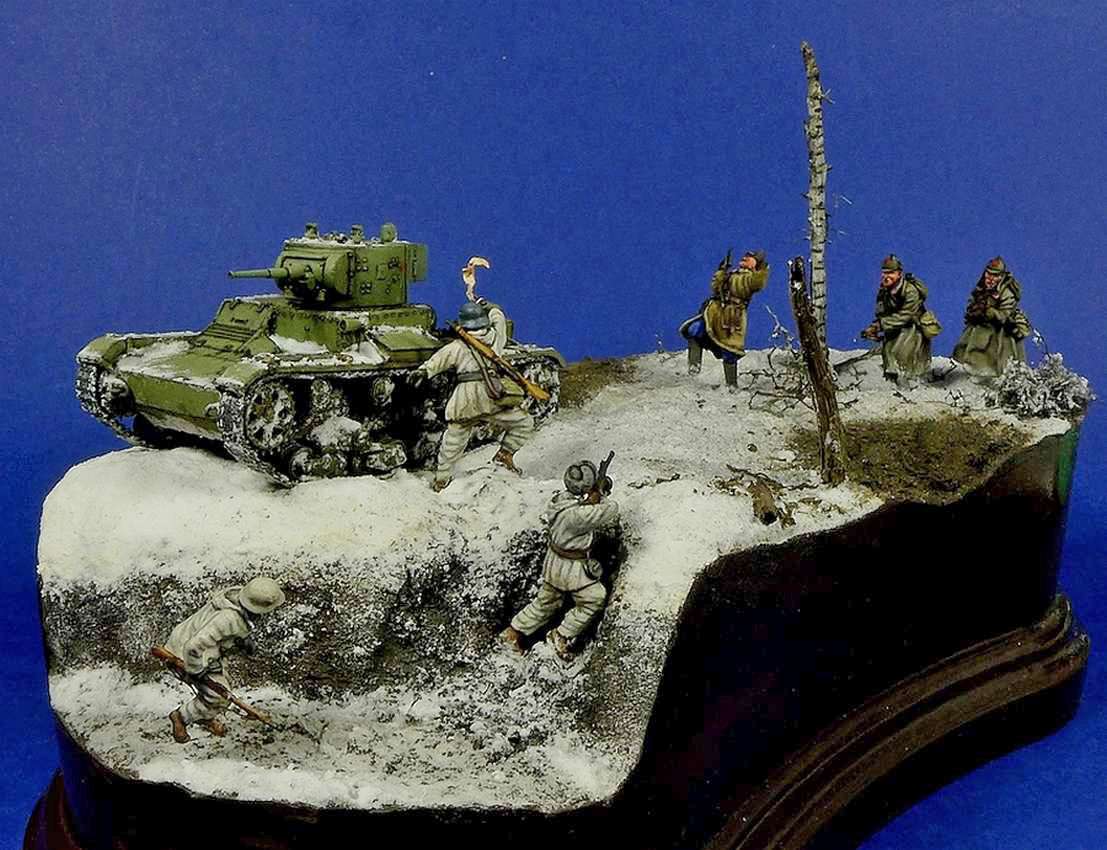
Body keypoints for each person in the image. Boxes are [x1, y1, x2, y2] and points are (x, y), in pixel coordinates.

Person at [501, 459, 620, 661]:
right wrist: (600, 495)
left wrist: (590, 497)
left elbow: (579, 507)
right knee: (594, 598)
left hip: (553, 562)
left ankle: (513, 632)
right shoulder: (577, 516)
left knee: (546, 602)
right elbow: (610, 509)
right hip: (571, 568)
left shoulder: (560, 500)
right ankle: (561, 634)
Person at [410, 300, 534, 491]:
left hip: (465, 399)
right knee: (524, 423)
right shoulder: (495, 339)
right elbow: (499, 318)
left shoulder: (457, 346)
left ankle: (442, 479)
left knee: (453, 440)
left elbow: (438, 361)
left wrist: (423, 372)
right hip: (491, 396)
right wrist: (488, 305)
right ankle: (505, 454)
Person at [163, 577, 286, 743]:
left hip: (202, 649)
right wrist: (196, 671)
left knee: (220, 686)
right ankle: (180, 717)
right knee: (219, 696)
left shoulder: (235, 597)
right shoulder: (228, 619)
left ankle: (203, 715)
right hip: (185, 655)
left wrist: (242, 640)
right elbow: (193, 646)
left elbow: (227, 629)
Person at [679, 250, 770, 390]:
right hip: (715, 314)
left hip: (732, 318)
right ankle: (694, 366)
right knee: (694, 330)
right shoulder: (732, 274)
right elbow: (716, 287)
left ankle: (731, 385)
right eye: (745, 256)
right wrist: (722, 270)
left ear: (755, 263)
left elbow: (759, 282)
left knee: (730, 351)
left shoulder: (751, 279)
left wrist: (762, 268)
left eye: (749, 257)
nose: (744, 258)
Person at [861, 254, 939, 383]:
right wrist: (875, 327)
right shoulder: (884, 290)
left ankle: (914, 381)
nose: (886, 276)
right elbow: (881, 311)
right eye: (884, 273)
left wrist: (880, 325)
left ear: (899, 274)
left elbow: (905, 315)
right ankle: (892, 379)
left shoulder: (910, 291)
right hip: (894, 327)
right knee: (888, 351)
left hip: (913, 328)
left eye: (890, 273)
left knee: (904, 354)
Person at [951, 256, 1030, 377]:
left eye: (995, 276)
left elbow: (1005, 314)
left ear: (1002, 277)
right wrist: (974, 309)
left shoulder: (1007, 293)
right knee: (967, 343)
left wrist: (991, 312)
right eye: (988, 274)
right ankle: (966, 366)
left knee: (998, 355)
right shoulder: (982, 287)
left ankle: (989, 373)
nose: (990, 279)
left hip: (1001, 330)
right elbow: (972, 300)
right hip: (981, 325)